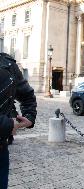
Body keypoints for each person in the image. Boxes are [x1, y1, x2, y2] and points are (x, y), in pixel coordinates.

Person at [0, 52, 37, 189]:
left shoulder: (8, 64)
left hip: (1, 150)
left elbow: (27, 96)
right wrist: (9, 124)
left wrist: (29, 117)